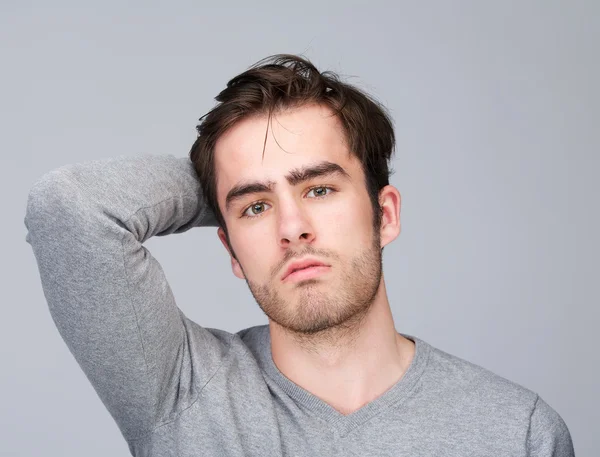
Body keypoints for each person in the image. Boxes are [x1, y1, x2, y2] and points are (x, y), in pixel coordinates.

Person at [24, 54, 574, 456]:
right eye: (257, 209)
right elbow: (70, 208)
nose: (292, 229)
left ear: (385, 215)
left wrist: (247, 192)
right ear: (230, 249)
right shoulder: (181, 393)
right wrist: (221, 181)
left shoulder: (515, 431)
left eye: (319, 190)